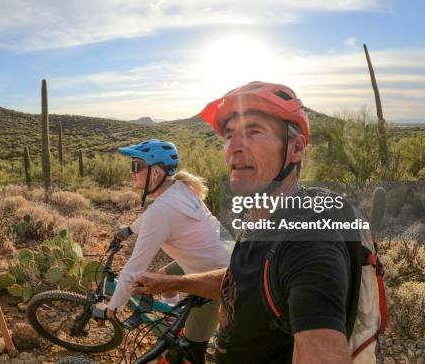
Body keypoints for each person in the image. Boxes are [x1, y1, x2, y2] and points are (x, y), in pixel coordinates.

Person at [131, 82, 383, 364]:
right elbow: (242, 279)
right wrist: (174, 281)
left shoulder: (308, 240)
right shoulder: (265, 217)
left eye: (254, 132)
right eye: (229, 136)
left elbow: (320, 345)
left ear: (296, 148)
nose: (234, 148)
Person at [105, 139, 232, 364]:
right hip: (224, 255)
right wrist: (129, 229)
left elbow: (134, 270)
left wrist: (112, 308)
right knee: (163, 276)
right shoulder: (179, 187)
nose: (131, 172)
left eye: (136, 166)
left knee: (188, 354)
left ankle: (190, 339)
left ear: (156, 172)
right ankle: (177, 320)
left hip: (219, 277)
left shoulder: (162, 210)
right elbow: (153, 214)